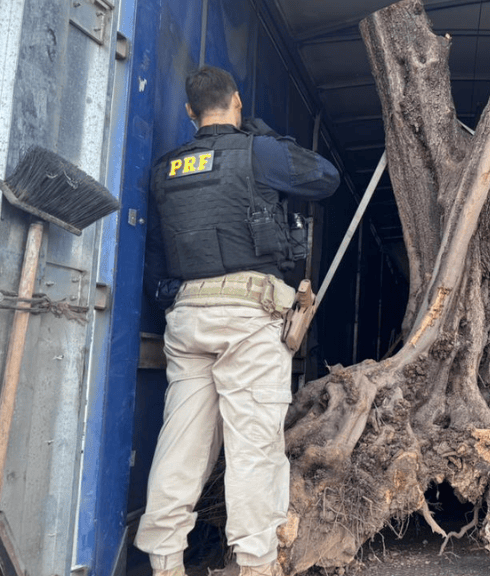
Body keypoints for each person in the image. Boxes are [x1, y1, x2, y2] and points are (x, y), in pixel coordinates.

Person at [136, 65, 339, 576]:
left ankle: (165, 563)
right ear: (237, 102)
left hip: (187, 319)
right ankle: (254, 564)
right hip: (248, 319)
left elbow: (156, 254)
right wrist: (265, 136)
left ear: (190, 112)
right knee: (254, 449)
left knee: (180, 447)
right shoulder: (259, 153)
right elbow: (325, 177)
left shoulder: (165, 169)